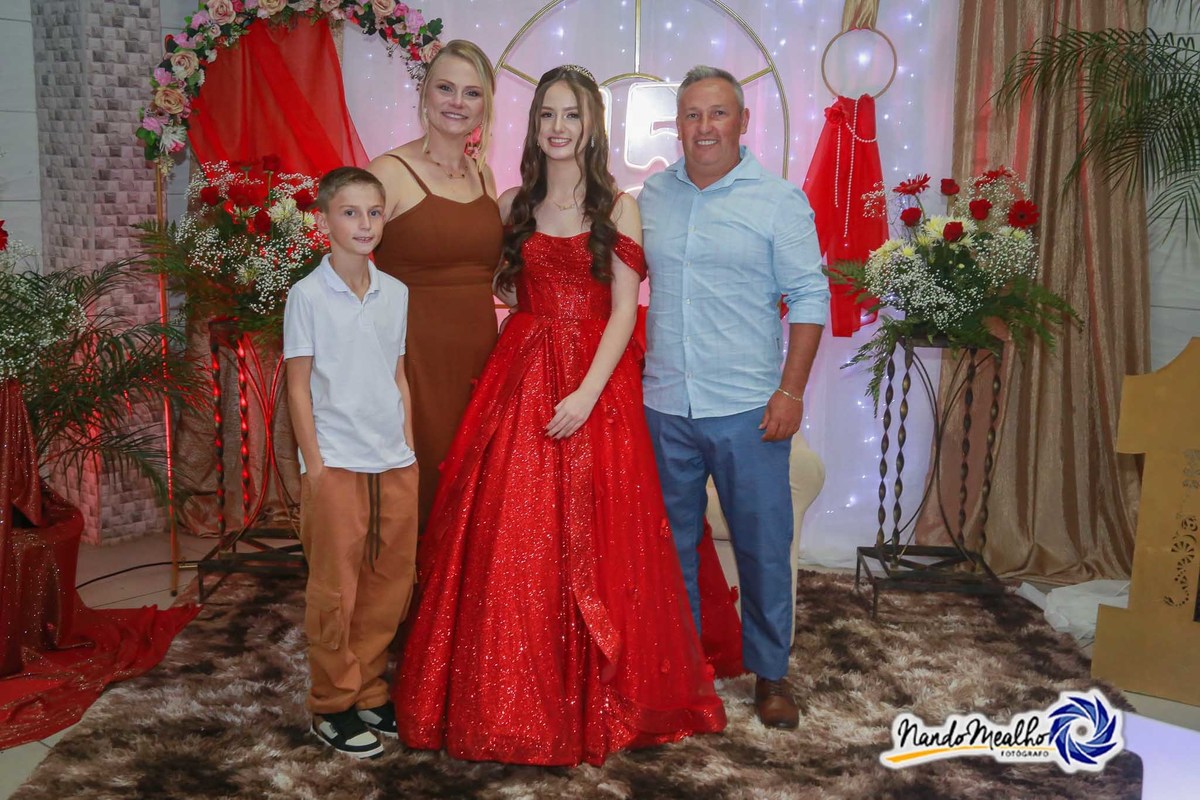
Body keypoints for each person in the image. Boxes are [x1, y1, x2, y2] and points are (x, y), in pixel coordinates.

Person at [393, 65, 727, 767]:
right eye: (547, 114)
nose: (558, 127)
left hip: (596, 383)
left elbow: (625, 309)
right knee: (513, 535)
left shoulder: (619, 206)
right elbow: (487, 283)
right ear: (533, 123)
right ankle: (510, 696)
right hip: (521, 374)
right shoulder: (512, 202)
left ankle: (598, 695)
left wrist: (585, 394)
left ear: (591, 126)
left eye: (571, 115)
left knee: (603, 536)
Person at [639, 65, 829, 730]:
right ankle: (687, 668)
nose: (704, 127)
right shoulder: (650, 197)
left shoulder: (779, 201)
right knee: (671, 549)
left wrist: (791, 392)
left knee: (763, 545)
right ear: (677, 124)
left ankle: (771, 673)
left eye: (718, 113)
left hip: (750, 409)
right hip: (664, 404)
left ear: (743, 122)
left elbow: (810, 298)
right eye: (692, 114)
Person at [283, 167, 418, 759]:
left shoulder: (396, 292)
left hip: (394, 460)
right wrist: (314, 466)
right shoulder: (308, 296)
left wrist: (408, 445)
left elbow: (397, 374)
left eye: (374, 212)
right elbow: (297, 386)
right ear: (324, 221)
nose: (364, 224)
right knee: (335, 587)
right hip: (336, 461)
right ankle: (332, 702)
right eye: (350, 212)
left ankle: (368, 688)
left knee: (389, 582)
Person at [369, 40, 504, 529]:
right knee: (419, 478)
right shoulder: (388, 172)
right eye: (446, 88)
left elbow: (490, 274)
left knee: (472, 483)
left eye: (472, 93)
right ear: (424, 93)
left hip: (479, 357)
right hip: (412, 359)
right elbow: (346, 268)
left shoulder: (484, 176)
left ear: (485, 106)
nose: (457, 102)